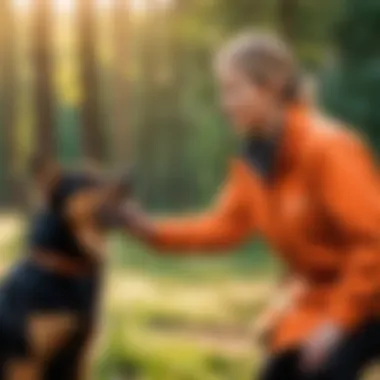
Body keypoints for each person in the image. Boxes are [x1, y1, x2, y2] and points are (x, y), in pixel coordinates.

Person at [122, 32, 380, 380]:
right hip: (319, 300)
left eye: (232, 89)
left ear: (270, 87)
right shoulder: (254, 163)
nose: (225, 103)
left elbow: (373, 243)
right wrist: (153, 232)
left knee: (323, 371)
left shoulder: (329, 149)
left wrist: (337, 323)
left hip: (367, 296)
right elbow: (224, 226)